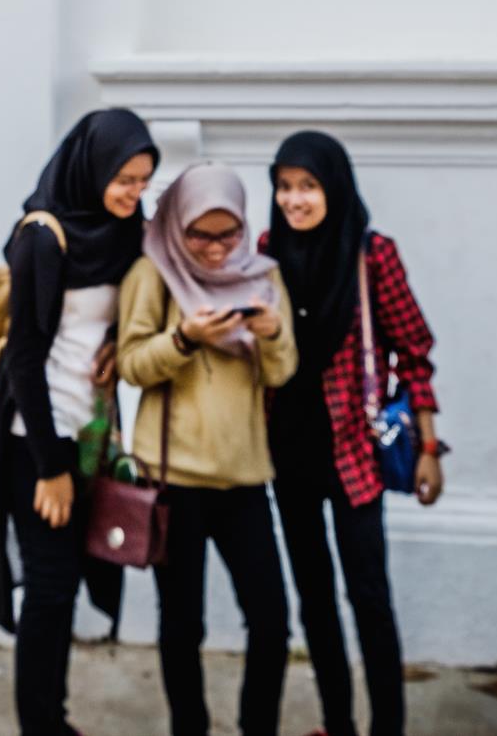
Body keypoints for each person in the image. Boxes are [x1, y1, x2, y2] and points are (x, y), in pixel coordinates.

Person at [0, 109, 159, 736]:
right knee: (50, 589)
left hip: (90, 438)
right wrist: (50, 466)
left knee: (65, 586)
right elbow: (25, 358)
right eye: (124, 180)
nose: (133, 193)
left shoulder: (122, 232)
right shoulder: (43, 237)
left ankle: (53, 719)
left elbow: (112, 317)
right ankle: (42, 725)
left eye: (143, 181)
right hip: (37, 441)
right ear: (93, 168)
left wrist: (115, 347)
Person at [262, 132, 445, 736]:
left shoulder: (372, 256)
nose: (294, 199)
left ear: (334, 188)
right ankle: (336, 724)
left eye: (308, 186)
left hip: (354, 455)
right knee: (314, 599)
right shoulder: (265, 252)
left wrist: (428, 447)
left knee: (369, 598)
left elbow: (413, 352)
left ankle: (386, 727)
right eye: (284, 186)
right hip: (289, 454)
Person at [117, 163, 295, 736]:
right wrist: (184, 339)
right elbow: (131, 365)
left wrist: (271, 335)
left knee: (271, 621)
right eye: (201, 235)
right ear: (177, 225)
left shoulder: (263, 275)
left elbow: (281, 372)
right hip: (174, 480)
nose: (217, 250)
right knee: (181, 624)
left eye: (229, 234)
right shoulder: (153, 273)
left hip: (244, 478)